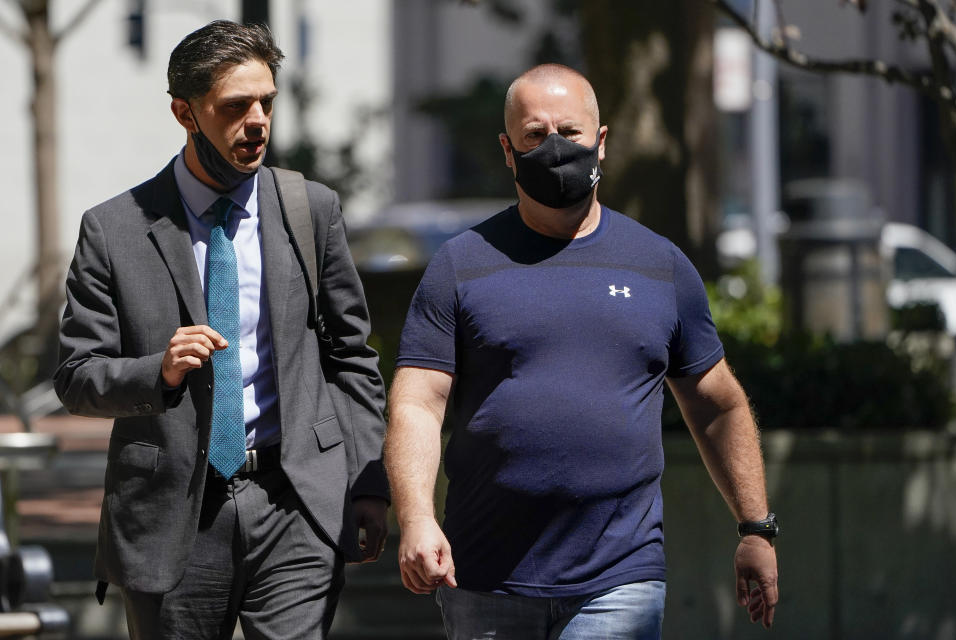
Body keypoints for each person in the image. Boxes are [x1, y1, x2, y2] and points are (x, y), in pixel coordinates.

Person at [385, 63, 779, 639]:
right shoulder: (461, 264)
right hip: (485, 577)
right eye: (534, 136)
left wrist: (755, 528)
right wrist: (417, 519)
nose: (554, 149)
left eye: (569, 133)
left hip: (620, 577)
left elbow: (718, 403)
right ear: (507, 149)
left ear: (600, 141)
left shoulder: (658, 264)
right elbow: (418, 402)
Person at [54, 20, 389, 640]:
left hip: (294, 502)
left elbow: (351, 359)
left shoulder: (310, 209)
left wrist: (369, 482)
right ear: (186, 112)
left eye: (267, 102)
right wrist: (157, 370)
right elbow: (76, 377)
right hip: (174, 511)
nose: (258, 120)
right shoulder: (114, 230)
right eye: (236, 107)